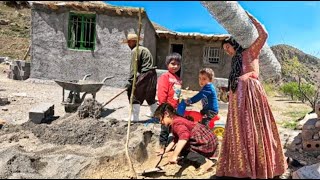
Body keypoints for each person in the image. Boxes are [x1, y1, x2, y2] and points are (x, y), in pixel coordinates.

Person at [215, 11, 287, 179]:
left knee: (254, 128)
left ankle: (259, 166)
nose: (227, 51)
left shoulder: (250, 52)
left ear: (235, 43)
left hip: (251, 95)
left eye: (228, 47)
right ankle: (241, 167)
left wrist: (251, 18)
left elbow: (264, 35)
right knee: (239, 130)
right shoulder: (235, 63)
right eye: (224, 50)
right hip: (237, 99)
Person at [154, 103, 218, 175]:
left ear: (166, 114)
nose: (160, 122)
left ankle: (205, 162)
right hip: (208, 138)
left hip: (205, 142)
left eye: (160, 119)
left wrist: (174, 156)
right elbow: (175, 140)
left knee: (185, 152)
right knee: (179, 147)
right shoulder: (176, 120)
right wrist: (165, 151)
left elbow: (184, 138)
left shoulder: (176, 123)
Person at [123, 33, 158, 121]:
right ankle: (155, 113)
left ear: (132, 42)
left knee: (134, 93)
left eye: (129, 42)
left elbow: (133, 68)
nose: (128, 44)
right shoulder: (144, 48)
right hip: (153, 74)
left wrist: (130, 81)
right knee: (150, 94)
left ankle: (134, 117)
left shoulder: (135, 50)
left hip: (145, 74)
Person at [157, 53, 183, 154]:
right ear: (167, 64)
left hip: (174, 108)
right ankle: (161, 146)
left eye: (178, 64)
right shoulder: (165, 77)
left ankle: (171, 144)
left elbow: (177, 94)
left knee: (173, 126)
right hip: (166, 108)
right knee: (164, 128)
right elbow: (162, 92)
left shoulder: (178, 79)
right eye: (172, 63)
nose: (175, 66)